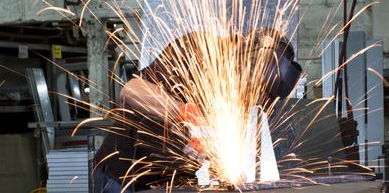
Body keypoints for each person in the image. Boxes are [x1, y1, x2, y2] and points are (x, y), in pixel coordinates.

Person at [94, 29, 302, 192]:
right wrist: (185, 113)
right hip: (123, 174)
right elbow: (131, 91)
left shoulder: (259, 96)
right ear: (243, 47)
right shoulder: (197, 49)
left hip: (169, 182)